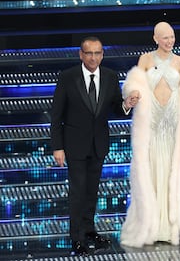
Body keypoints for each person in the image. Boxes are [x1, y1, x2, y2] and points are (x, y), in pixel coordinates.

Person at [120, 21, 180, 248]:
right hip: (152, 124)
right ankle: (152, 225)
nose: (169, 41)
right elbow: (135, 84)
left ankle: (173, 226)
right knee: (152, 171)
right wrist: (132, 95)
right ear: (155, 39)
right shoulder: (146, 59)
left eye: (172, 37)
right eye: (165, 37)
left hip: (173, 123)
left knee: (173, 172)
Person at [50, 36, 138, 256]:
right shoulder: (67, 77)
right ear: (81, 54)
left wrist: (126, 105)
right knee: (78, 193)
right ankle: (77, 238)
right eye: (89, 53)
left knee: (91, 192)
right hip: (74, 146)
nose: (93, 57)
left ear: (102, 54)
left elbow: (116, 108)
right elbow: (56, 115)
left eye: (97, 53)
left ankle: (89, 231)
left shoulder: (109, 76)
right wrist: (57, 147)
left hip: (98, 145)